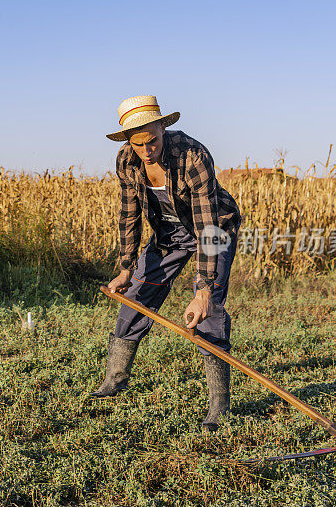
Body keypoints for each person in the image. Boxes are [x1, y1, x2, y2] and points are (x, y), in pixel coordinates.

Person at [91, 95, 242, 432]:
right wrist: (126, 267)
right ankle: (115, 380)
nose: (147, 151)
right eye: (138, 143)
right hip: (168, 234)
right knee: (135, 298)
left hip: (215, 227)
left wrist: (203, 290)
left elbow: (207, 227)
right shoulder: (127, 162)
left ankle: (219, 407)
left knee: (209, 310)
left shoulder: (193, 156)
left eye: (153, 140)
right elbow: (129, 214)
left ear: (164, 127)